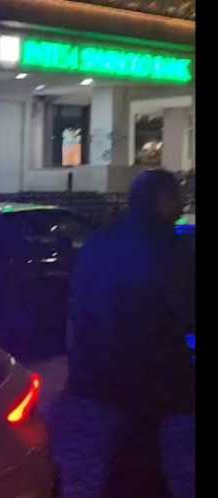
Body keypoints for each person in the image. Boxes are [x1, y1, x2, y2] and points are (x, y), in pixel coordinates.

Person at [52, 169, 195, 498]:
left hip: (105, 363)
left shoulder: (102, 241)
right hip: (150, 366)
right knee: (139, 444)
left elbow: (79, 304)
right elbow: (184, 306)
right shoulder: (164, 247)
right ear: (160, 199)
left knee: (134, 444)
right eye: (176, 195)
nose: (182, 203)